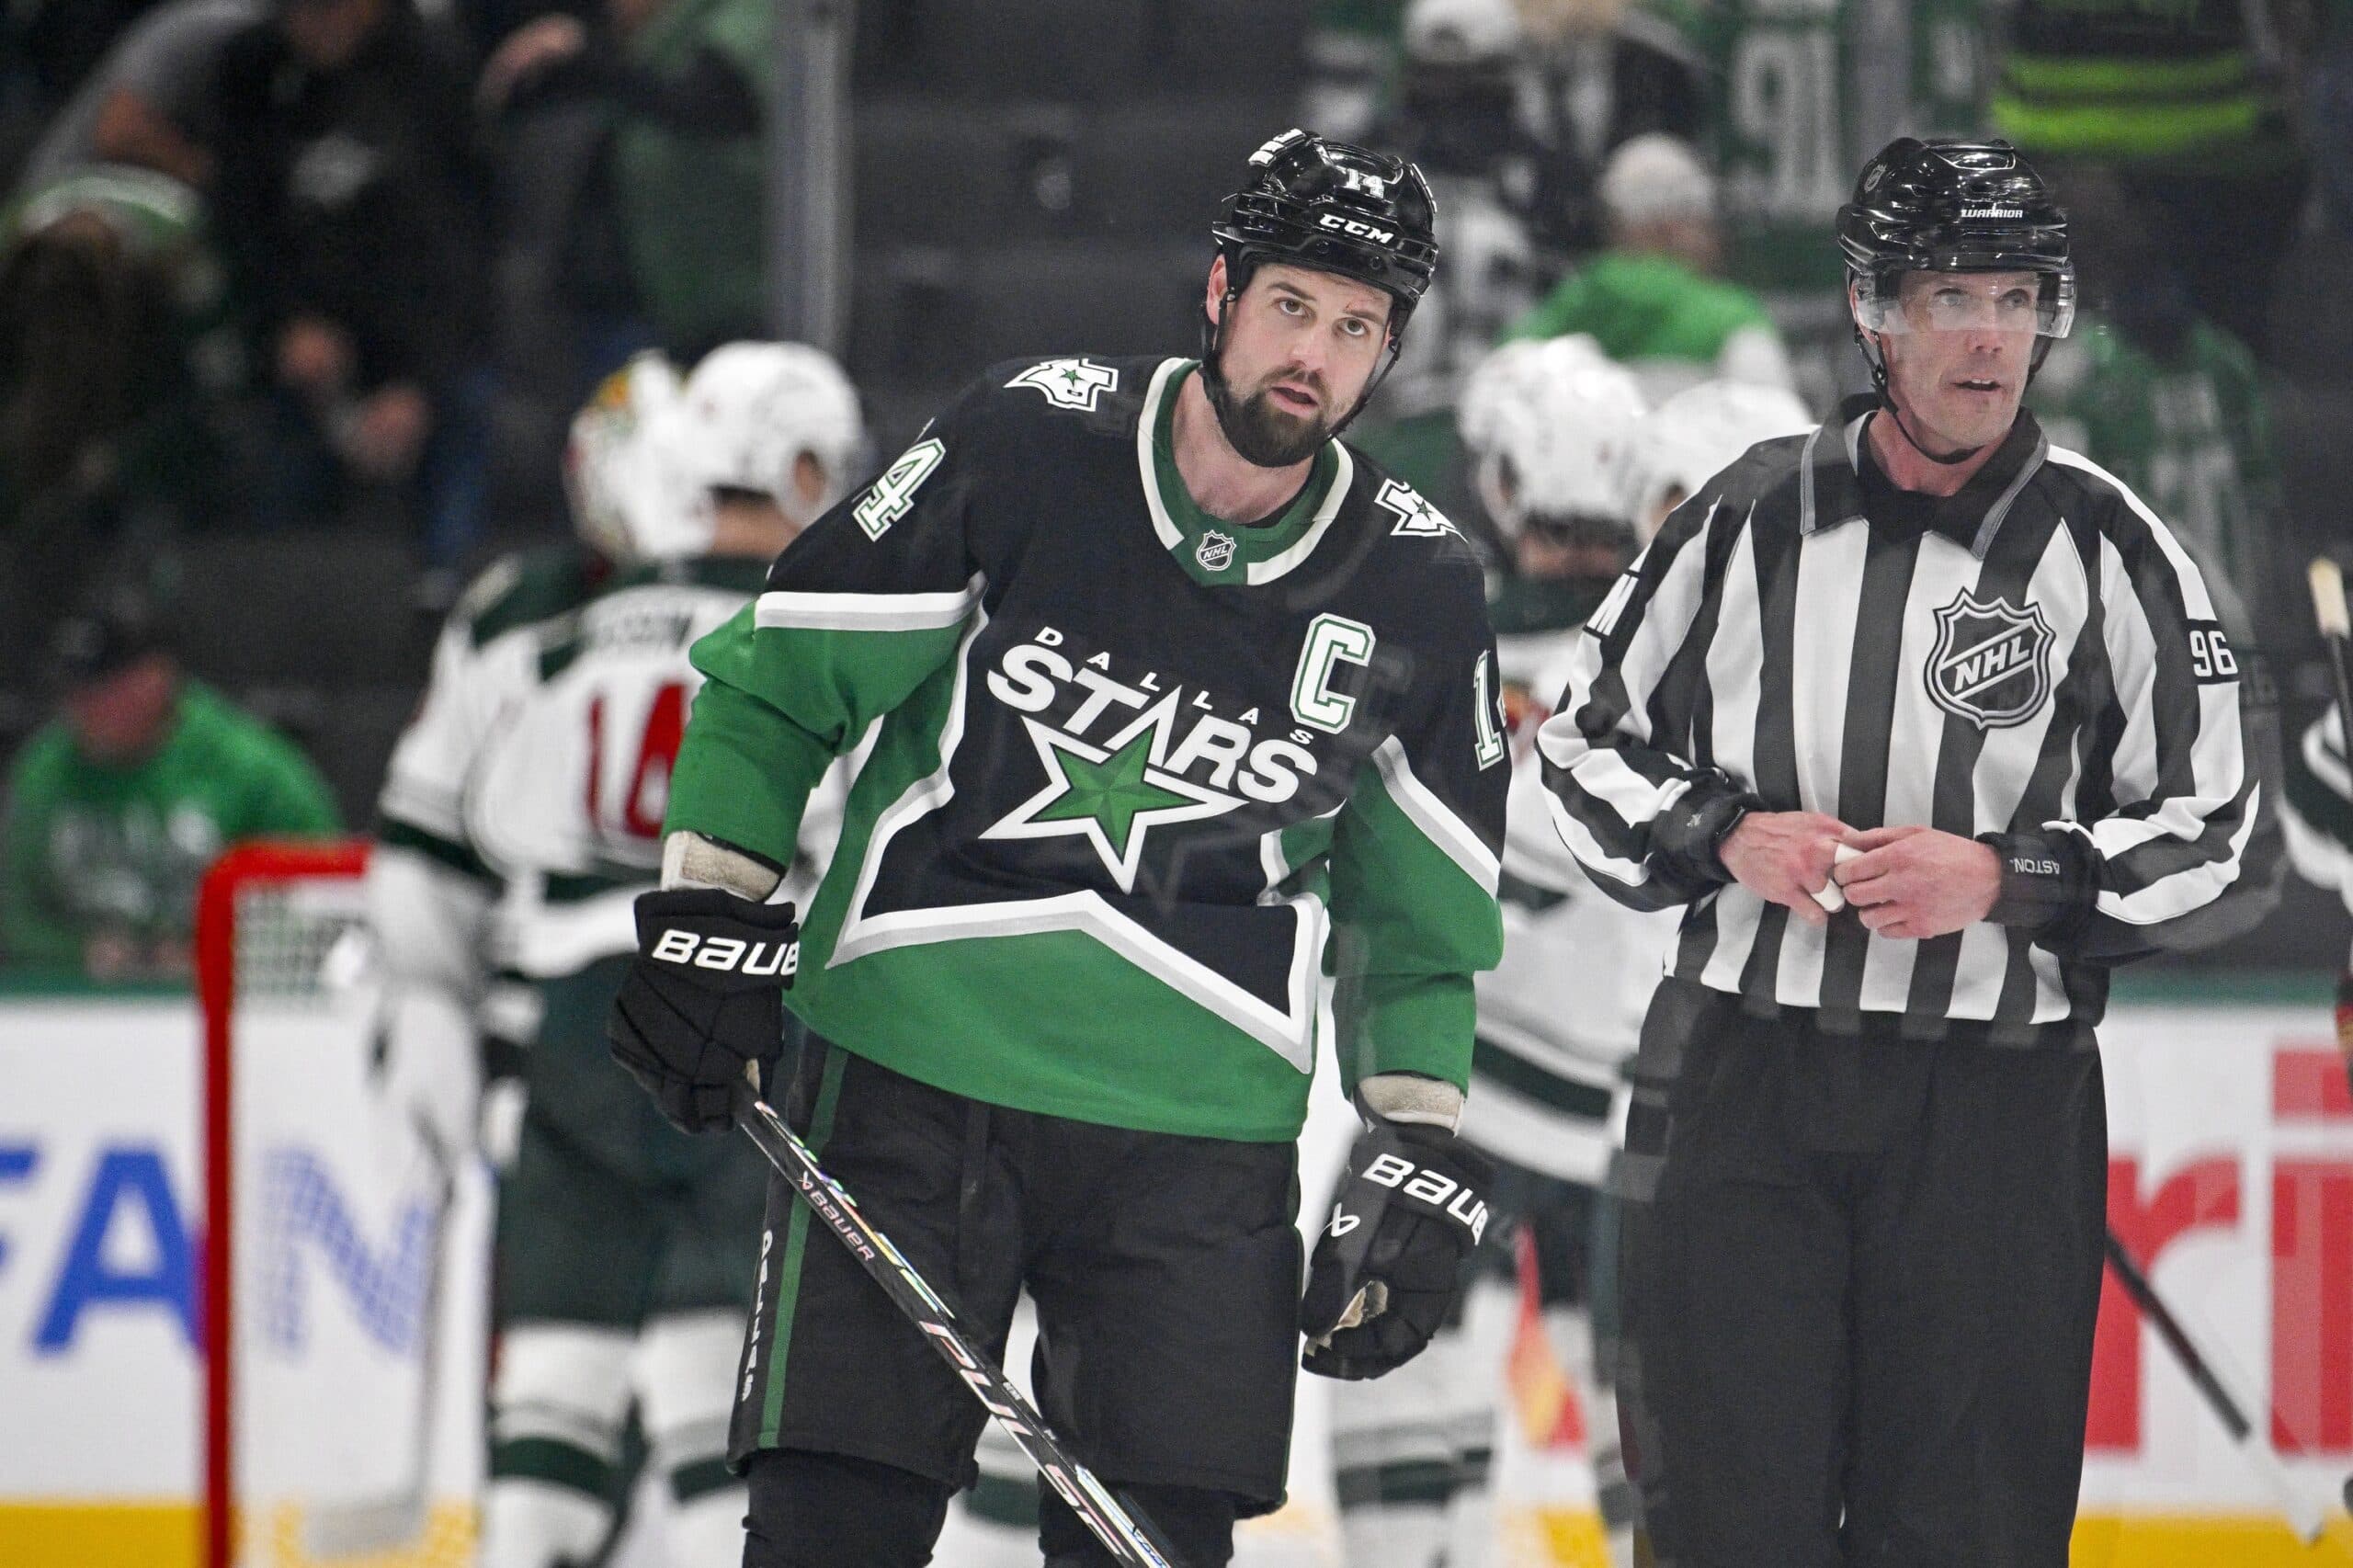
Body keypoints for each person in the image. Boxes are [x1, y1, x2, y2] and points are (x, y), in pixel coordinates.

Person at [604, 129, 1508, 1568]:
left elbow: (1421, 914)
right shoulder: (1034, 439)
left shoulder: (1421, 583)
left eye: (1357, 328)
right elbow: (782, 681)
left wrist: (1415, 1137)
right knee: (827, 1532)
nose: (1315, 356)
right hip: (904, 1080)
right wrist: (707, 906)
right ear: (1219, 291)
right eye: (1292, 306)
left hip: (1200, 1141)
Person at [1537, 138, 2279, 1566]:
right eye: (1951, 296)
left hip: (1997, 1122)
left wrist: (2011, 878)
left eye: (2015, 294)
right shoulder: (1749, 514)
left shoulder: (2116, 549)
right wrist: (1721, 831)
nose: (1990, 332)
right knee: (1723, 1529)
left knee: (1964, 1535)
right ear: (1876, 313)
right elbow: (1577, 744)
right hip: (1746, 1080)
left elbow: (2220, 830)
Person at [367, 341, 864, 1568]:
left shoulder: (541, 632)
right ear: (799, 468)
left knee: (549, 1421)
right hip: (750, 1023)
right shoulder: (829, 640)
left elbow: (433, 843)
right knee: (715, 1430)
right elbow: (867, 867)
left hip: (577, 1037)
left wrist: (424, 1010)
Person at [1329, 335, 1664, 1567]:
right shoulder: (1687, 658)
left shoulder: (1425, 632)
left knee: (1393, 1387)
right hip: (1632, 1108)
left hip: (1445, 1089)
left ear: (1502, 482)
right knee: (1665, 1462)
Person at [2, 584, 339, 975]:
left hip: (226, 1006)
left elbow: (323, 896)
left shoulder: (250, 768)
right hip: (82, 1014)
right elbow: (14, 910)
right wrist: (78, 953)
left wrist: (217, 954)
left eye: (102, 687)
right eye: (74, 688)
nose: (82, 706)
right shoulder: (44, 771)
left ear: (156, 679)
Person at [1502, 133, 1796, 404]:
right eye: (1704, 223)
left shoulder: (1556, 317)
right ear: (1668, 229)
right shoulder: (1733, 320)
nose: (1716, 240)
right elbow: (1780, 444)